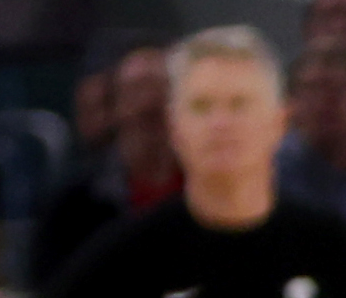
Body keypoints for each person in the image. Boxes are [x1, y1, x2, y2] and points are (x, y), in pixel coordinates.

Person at [48, 28, 346, 298]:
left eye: (239, 104)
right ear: (175, 126)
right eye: (201, 106)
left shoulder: (331, 250)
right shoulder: (122, 261)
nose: (220, 123)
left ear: (279, 121)